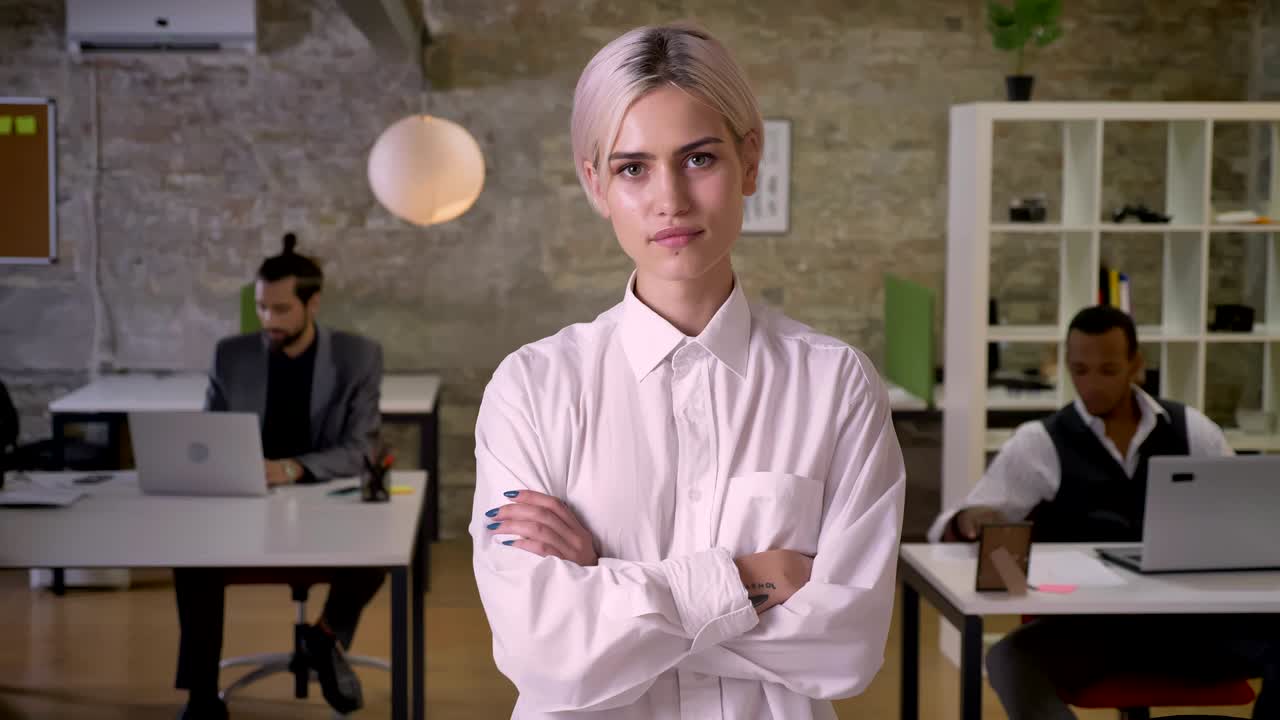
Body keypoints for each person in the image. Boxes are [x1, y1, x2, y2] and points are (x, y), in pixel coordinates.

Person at [471, 23, 906, 720]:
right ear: (595, 182)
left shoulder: (836, 386)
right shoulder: (533, 388)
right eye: (633, 168)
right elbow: (538, 651)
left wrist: (603, 588)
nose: (668, 199)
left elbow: (846, 647)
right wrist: (751, 580)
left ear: (750, 161)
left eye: (699, 159)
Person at [931, 304, 1280, 720]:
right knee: (1008, 660)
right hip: (1093, 629)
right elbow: (953, 525)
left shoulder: (1192, 430)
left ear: (1136, 365)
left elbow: (1246, 515)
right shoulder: (1040, 442)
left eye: (1108, 370)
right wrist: (973, 520)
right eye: (1079, 370)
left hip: (1191, 624)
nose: (1091, 384)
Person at [173, 235, 385, 720]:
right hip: (246, 500)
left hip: (322, 497)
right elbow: (210, 438)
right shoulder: (233, 356)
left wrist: (290, 469)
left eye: (282, 309)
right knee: (191, 556)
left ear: (312, 303)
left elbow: (360, 449)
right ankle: (201, 696)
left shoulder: (357, 357)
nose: (269, 321)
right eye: (262, 308)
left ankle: (324, 636)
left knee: (381, 549)